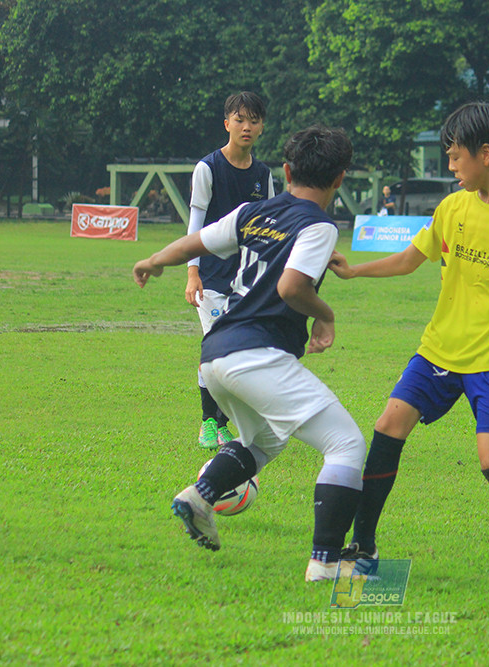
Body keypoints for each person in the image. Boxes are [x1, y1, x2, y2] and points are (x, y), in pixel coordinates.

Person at [328, 102, 489, 587]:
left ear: (485, 154)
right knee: (387, 426)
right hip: (439, 348)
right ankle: (363, 546)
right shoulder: (452, 207)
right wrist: (355, 270)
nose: (450, 166)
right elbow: (409, 260)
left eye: (455, 156)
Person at [133, 126, 366, 582]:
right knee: (346, 445)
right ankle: (325, 563)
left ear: (286, 171)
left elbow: (195, 242)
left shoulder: (252, 211)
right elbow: (292, 287)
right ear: (340, 179)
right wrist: (326, 315)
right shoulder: (319, 225)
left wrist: (154, 261)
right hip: (257, 355)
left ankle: (200, 496)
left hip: (215, 354)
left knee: (265, 440)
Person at [185, 92, 276, 449]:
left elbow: (270, 228)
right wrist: (193, 272)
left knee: (237, 353)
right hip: (210, 276)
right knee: (217, 350)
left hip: (248, 278)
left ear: (262, 126)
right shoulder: (207, 168)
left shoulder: (263, 175)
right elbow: (195, 223)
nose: (246, 127)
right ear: (227, 124)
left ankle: (222, 424)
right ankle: (209, 424)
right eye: (239, 120)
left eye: (253, 120)